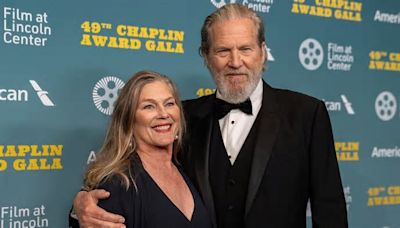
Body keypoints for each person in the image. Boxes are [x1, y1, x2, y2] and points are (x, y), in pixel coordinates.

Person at [71, 4, 348, 228]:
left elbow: (330, 211)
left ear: (263, 53)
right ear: (206, 56)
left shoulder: (306, 114)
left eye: (246, 49)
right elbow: (131, 180)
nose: (235, 61)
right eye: (223, 51)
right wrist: (80, 207)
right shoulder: (184, 116)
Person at [70, 71, 212, 228]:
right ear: (128, 119)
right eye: (149, 106)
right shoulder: (118, 184)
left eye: (169, 103)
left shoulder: (187, 168)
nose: (164, 114)